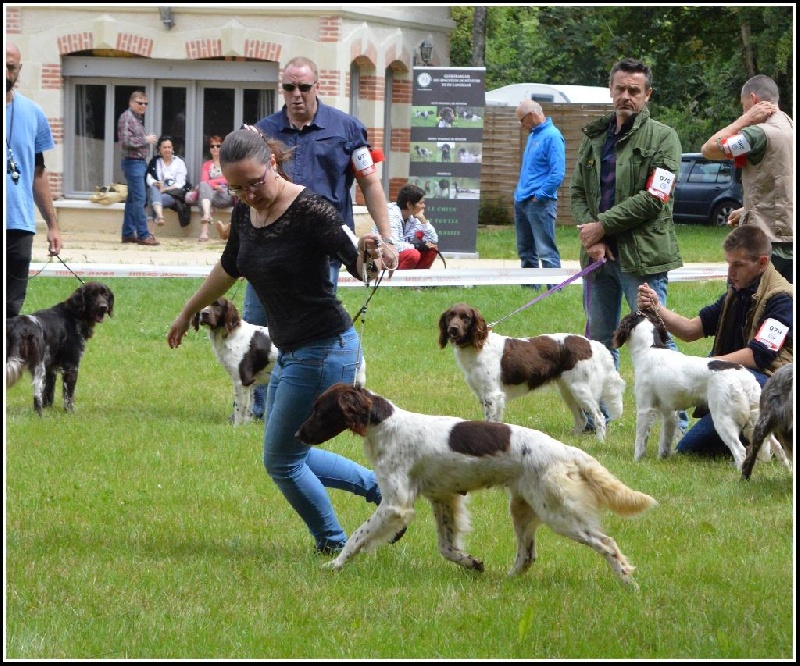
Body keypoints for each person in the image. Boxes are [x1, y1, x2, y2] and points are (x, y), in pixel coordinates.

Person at [166, 127, 399, 554]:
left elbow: (361, 266)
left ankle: (332, 543)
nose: (249, 194)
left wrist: (372, 250)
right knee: (295, 451)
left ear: (272, 163)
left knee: (280, 460)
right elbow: (228, 267)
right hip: (288, 350)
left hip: (325, 349)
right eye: (237, 188)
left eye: (255, 182)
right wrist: (186, 312)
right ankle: (382, 494)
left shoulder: (313, 209)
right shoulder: (244, 213)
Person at [245, 55, 393, 419]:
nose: (296, 94)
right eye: (289, 87)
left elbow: (370, 182)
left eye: (304, 87)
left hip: (323, 252)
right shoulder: (262, 132)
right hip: (268, 246)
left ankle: (313, 402)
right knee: (257, 328)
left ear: (318, 86)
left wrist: (387, 237)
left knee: (312, 331)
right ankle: (258, 409)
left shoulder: (347, 129)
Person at [570, 57, 687, 432]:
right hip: (598, 258)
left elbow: (655, 197)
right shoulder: (593, 137)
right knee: (599, 341)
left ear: (647, 94)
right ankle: (600, 418)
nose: (626, 96)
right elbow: (576, 192)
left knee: (654, 341)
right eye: (620, 89)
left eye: (634, 91)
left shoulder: (664, 138)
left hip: (644, 258)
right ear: (610, 90)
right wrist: (592, 237)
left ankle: (679, 423)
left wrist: (601, 226)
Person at [637, 224, 792, 458]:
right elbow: (691, 330)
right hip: (732, 378)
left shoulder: (783, 299)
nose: (730, 272)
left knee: (695, 448)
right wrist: (656, 308)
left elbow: (758, 355)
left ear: (762, 263)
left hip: (773, 384)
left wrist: (711, 364)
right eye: (729, 264)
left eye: (738, 265)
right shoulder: (737, 292)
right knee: (689, 448)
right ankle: (752, 437)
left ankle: (769, 432)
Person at [700, 74, 793, 284]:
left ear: (753, 100)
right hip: (790, 239)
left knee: (744, 309)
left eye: (744, 106)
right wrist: (748, 208)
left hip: (766, 244)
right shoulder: (790, 129)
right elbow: (783, 184)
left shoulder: (758, 134)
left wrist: (745, 119)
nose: (744, 111)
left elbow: (709, 149)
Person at [5, 41, 63, 318]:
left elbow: (38, 173)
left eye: (11, 67)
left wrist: (52, 225)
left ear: (19, 70)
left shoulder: (33, 113)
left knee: (11, 311)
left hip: (19, 226)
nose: (6, 73)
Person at [514, 99, 565, 290]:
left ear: (531, 116)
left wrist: (540, 196)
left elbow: (557, 173)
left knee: (546, 250)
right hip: (522, 200)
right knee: (526, 250)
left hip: (539, 203)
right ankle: (528, 291)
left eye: (522, 121)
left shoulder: (552, 136)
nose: (521, 126)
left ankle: (554, 291)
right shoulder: (533, 136)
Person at [117, 90, 159, 245]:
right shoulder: (127, 117)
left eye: (145, 103)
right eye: (139, 103)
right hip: (132, 162)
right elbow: (125, 141)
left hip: (139, 162)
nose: (143, 106)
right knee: (140, 199)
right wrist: (145, 139)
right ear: (131, 103)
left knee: (133, 199)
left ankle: (128, 233)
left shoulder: (137, 119)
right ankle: (143, 234)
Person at [373, 183, 439, 270]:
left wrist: (423, 221)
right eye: (421, 203)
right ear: (409, 205)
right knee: (413, 254)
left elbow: (433, 240)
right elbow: (392, 246)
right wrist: (417, 246)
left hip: (399, 255)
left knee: (432, 250)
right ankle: (398, 281)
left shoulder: (413, 217)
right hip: (382, 257)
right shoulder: (390, 216)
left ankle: (417, 281)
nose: (424, 206)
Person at [196, 134, 235, 242]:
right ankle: (206, 218)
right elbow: (204, 181)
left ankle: (204, 230)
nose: (215, 148)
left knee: (204, 191)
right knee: (204, 189)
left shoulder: (227, 163)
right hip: (211, 195)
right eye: (212, 146)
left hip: (225, 194)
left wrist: (213, 183)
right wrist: (213, 185)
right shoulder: (206, 165)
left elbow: (229, 180)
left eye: (218, 146)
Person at [146, 134, 190, 229]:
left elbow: (180, 184)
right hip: (157, 191)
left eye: (169, 147)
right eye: (164, 147)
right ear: (160, 149)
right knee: (154, 190)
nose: (167, 150)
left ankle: (150, 233)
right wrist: (155, 183)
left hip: (172, 195)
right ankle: (160, 216)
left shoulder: (179, 163)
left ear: (172, 148)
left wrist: (165, 189)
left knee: (153, 198)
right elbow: (148, 177)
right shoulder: (155, 161)